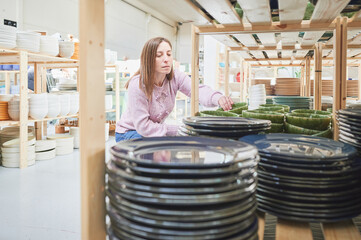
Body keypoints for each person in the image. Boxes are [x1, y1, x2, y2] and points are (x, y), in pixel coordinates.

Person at [115, 37, 233, 142]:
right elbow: (143, 127)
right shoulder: (138, 85)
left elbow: (197, 90)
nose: (166, 59)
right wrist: (179, 130)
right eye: (159, 55)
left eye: (169, 54)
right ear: (148, 59)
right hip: (129, 133)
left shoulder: (176, 77)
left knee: (168, 152)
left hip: (151, 132)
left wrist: (218, 98)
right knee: (160, 153)